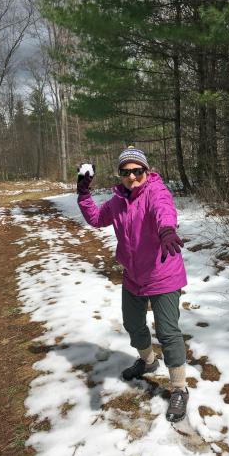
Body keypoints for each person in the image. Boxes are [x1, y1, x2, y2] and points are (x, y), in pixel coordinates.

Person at [77, 146, 189, 422]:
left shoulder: (156, 191)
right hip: (133, 276)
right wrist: (83, 194)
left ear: (146, 171)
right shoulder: (117, 201)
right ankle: (149, 362)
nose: (132, 177)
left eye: (137, 171)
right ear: (120, 174)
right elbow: (96, 219)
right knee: (133, 324)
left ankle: (179, 388)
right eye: (126, 172)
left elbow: (164, 211)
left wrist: (166, 231)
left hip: (163, 273)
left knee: (168, 331)